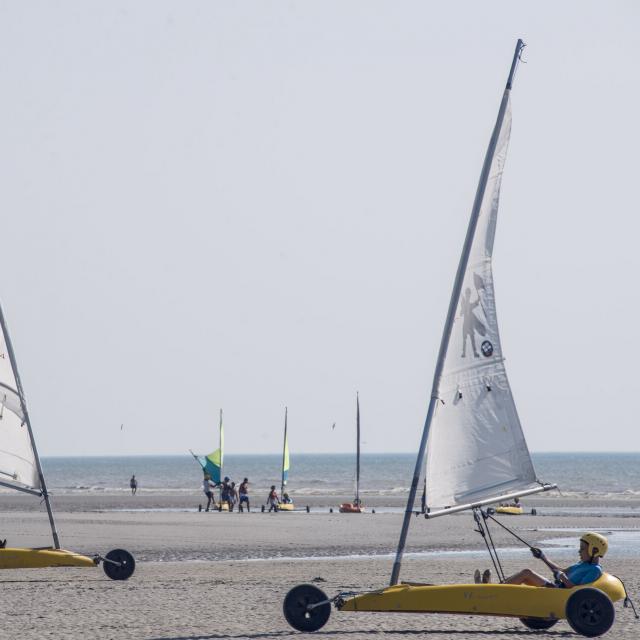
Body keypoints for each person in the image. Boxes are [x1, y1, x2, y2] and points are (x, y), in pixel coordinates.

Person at [475, 532, 607, 587]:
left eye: (583, 548)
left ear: (594, 551)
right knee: (526, 575)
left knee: (527, 573)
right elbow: (560, 571)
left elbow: (578, 592)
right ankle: (493, 587)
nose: (579, 551)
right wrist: (542, 557)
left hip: (558, 594)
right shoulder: (582, 564)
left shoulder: (594, 570)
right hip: (556, 588)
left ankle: (493, 589)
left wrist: (562, 577)